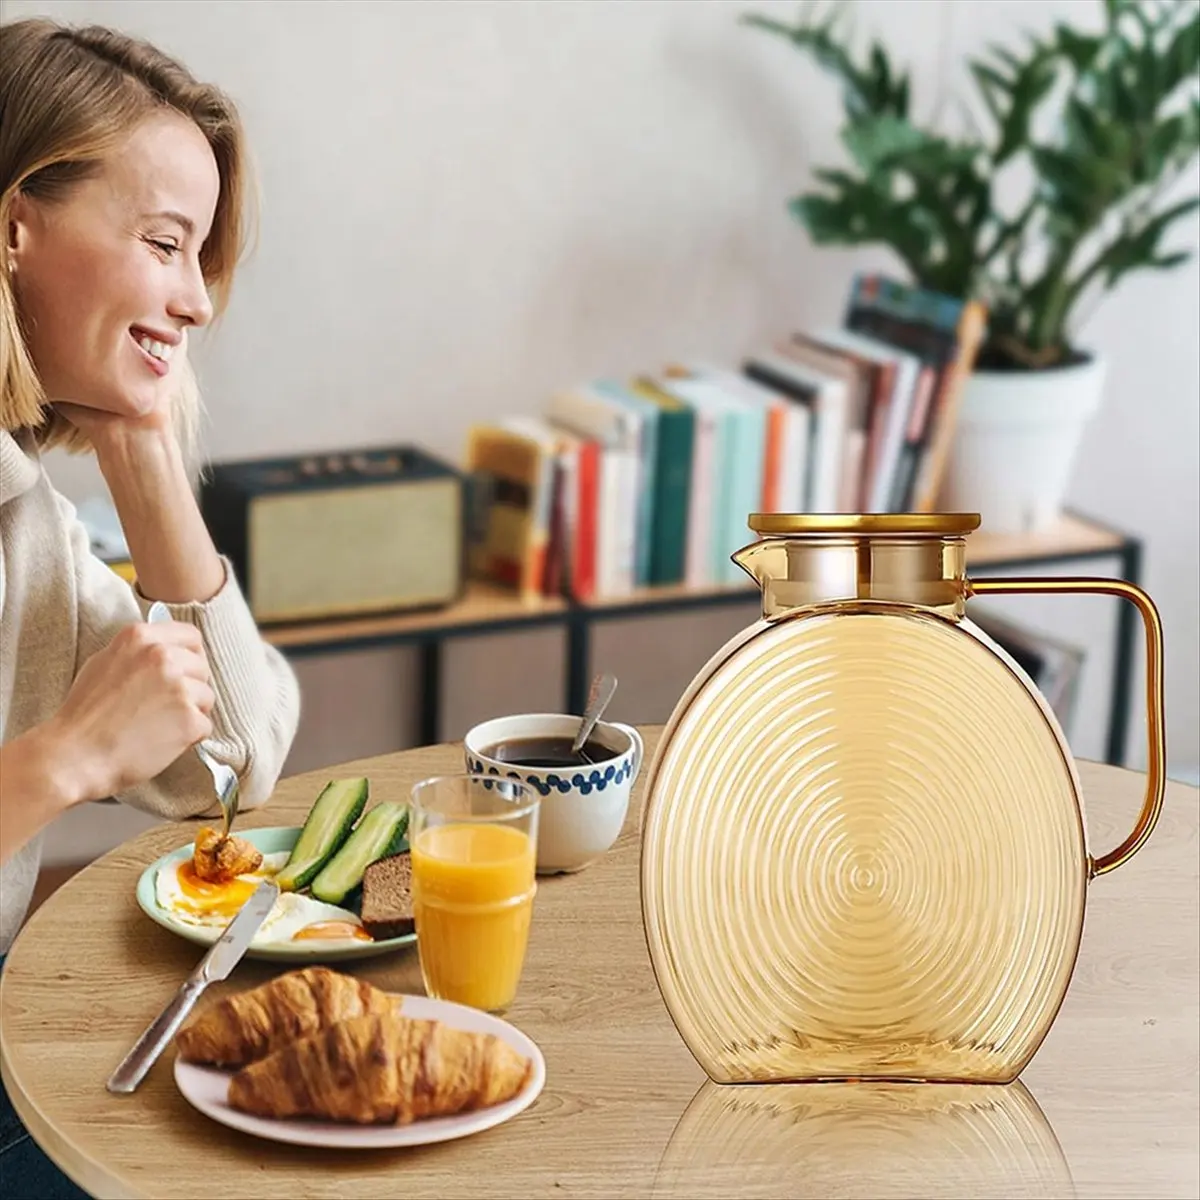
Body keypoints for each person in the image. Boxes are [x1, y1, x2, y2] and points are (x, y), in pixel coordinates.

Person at [0, 18, 302, 1197]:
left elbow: (226, 764)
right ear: (15, 223)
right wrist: (61, 759)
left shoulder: (26, 517)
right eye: (167, 244)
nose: (198, 303)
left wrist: (144, 459)